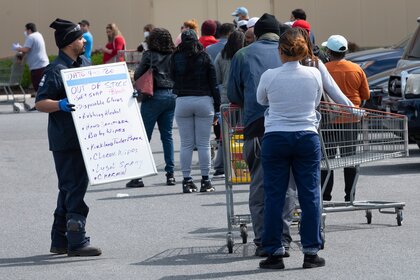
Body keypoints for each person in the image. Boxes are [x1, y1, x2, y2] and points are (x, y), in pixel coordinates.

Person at [257, 27, 325, 270]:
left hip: (276, 136)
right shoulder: (314, 74)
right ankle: (311, 251)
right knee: (310, 194)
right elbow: (316, 101)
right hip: (307, 136)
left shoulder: (269, 75)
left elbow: (260, 100)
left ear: (280, 51)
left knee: (275, 194)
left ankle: (275, 252)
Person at [227, 13, 294, 257]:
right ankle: (284, 239)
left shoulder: (242, 55)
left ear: (255, 33)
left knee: (260, 186)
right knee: (287, 187)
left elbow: (233, 94)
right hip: (290, 129)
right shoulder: (290, 52)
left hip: (256, 128)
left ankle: (263, 240)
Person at [35, 18, 101, 257]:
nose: (84, 40)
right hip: (66, 140)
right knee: (74, 189)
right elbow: (40, 102)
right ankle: (76, 240)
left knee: (68, 188)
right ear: (69, 42)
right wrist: (60, 104)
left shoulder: (82, 63)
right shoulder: (55, 70)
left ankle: (59, 239)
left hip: (85, 137)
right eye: (80, 37)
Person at [170, 29, 221, 193]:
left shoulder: (176, 57)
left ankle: (187, 180)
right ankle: (206, 181)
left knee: (186, 144)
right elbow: (214, 83)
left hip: (183, 100)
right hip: (204, 101)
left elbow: (171, 77)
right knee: (204, 143)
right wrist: (217, 107)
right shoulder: (205, 56)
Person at [321, 34, 370, 202]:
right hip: (351, 120)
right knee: (350, 158)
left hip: (329, 120)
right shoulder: (357, 69)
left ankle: (325, 195)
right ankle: (350, 195)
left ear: (328, 51)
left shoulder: (323, 69)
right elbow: (366, 95)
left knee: (327, 160)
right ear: (346, 51)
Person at [126, 28, 176, 188]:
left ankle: (138, 176)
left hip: (154, 96)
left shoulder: (149, 55)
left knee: (144, 137)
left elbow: (138, 74)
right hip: (171, 95)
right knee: (167, 136)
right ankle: (170, 174)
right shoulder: (173, 55)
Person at [212, 30, 245, 178]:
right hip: (242, 97)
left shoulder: (221, 55)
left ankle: (220, 165)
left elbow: (216, 77)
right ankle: (240, 164)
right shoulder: (244, 55)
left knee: (225, 135)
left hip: (225, 98)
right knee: (242, 132)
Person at [13, 22, 49, 97]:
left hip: (37, 65)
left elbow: (26, 49)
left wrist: (17, 48)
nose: (25, 32)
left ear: (29, 30)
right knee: (41, 86)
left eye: (26, 30)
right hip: (43, 63)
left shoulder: (31, 37)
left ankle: (39, 104)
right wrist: (21, 55)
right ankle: (41, 102)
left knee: (38, 86)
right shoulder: (39, 35)